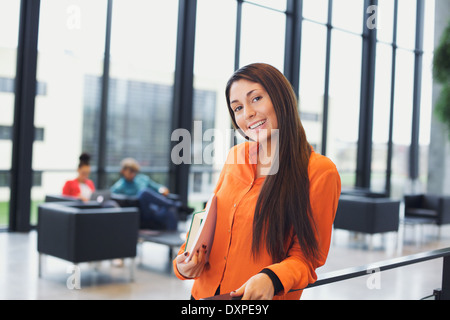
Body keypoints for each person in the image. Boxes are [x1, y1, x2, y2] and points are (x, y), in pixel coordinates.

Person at [173, 63, 341, 300]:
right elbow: (210, 220)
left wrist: (271, 277)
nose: (247, 113)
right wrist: (184, 261)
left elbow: (308, 257)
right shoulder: (235, 156)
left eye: (257, 98)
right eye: (238, 108)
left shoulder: (319, 171)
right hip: (204, 296)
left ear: (281, 98)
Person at [110, 158, 179, 231]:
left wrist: (162, 189)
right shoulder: (119, 186)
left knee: (170, 210)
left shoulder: (143, 179)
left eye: (134, 171)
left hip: (154, 209)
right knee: (143, 193)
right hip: (142, 213)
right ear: (123, 171)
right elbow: (112, 197)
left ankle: (173, 234)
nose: (133, 174)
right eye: (130, 171)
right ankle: (175, 204)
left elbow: (157, 187)